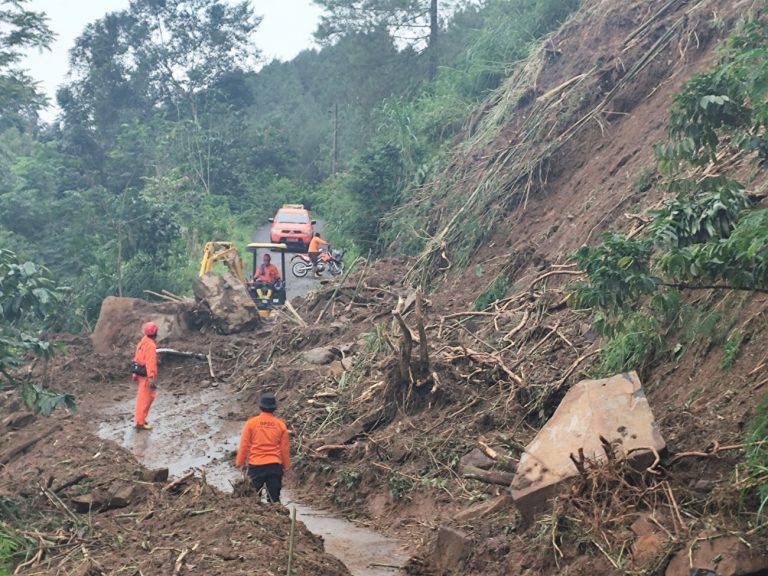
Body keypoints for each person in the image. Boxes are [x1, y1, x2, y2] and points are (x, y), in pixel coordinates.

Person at [236, 392, 290, 503]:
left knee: (253, 501)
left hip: (256, 467)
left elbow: (244, 445)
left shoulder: (251, 423)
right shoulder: (280, 425)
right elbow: (284, 448)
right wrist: (286, 466)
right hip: (274, 466)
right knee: (274, 501)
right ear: (274, 408)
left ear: (260, 406)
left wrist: (240, 462)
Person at [132, 321, 158, 431]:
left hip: (140, 373)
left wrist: (134, 374)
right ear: (155, 332)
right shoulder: (150, 345)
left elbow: (137, 358)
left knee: (145, 397)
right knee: (145, 399)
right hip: (146, 375)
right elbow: (150, 362)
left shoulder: (142, 342)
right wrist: (151, 377)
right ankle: (139, 422)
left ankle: (141, 419)